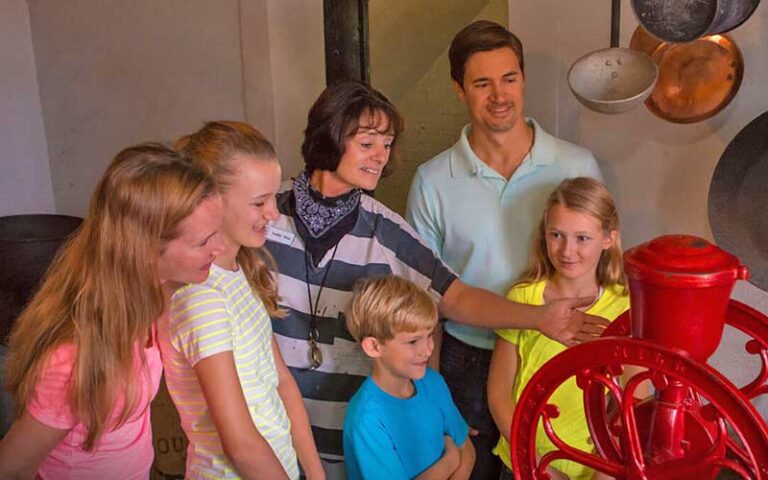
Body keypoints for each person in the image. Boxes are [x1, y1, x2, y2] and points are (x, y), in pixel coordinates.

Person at [264, 80, 607, 478]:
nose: (381, 156)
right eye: (368, 142)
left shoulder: (387, 231)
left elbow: (456, 297)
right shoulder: (265, 215)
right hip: (273, 437)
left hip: (356, 443)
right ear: (331, 134)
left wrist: (538, 317)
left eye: (387, 144)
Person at [405, 20, 603, 478]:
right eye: (482, 83)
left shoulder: (576, 165)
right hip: (467, 362)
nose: (499, 95)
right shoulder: (432, 182)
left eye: (509, 78)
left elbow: (605, 267)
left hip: (558, 352)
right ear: (459, 90)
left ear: (524, 79)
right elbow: (423, 305)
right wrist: (428, 397)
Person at [0, 144, 225, 479]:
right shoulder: (74, 358)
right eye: (203, 242)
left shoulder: (150, 301)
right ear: (145, 250)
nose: (219, 248)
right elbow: (12, 468)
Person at [158, 121, 324, 479]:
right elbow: (242, 444)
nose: (274, 213)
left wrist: (314, 472)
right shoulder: (201, 297)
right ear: (212, 201)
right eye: (258, 202)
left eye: (273, 197)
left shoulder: (242, 272)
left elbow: (281, 383)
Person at [487, 177, 628, 480]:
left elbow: (633, 401)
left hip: (593, 468)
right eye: (556, 235)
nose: (567, 250)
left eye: (582, 238)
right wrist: (539, 465)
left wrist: (607, 468)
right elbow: (499, 393)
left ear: (608, 238)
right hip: (522, 463)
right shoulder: (523, 298)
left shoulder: (625, 309)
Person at [343, 275, 474, 480]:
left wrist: (457, 457)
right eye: (413, 341)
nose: (428, 349)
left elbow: (467, 450)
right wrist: (450, 460)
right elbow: (457, 452)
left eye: (430, 334)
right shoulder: (367, 417)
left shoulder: (433, 382)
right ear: (374, 346)